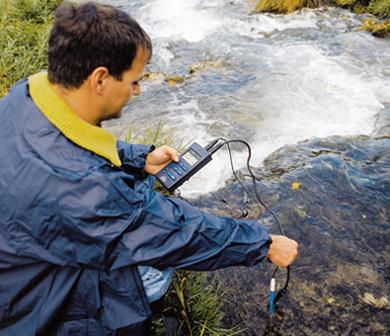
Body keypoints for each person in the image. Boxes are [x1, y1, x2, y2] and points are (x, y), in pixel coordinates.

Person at [0, 1, 298, 335]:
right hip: (28, 307)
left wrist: (137, 158)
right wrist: (263, 244)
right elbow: (176, 232)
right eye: (134, 81)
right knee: (156, 268)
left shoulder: (25, 95)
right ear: (100, 79)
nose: (138, 91)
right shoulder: (81, 185)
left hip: (19, 256)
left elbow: (70, 140)